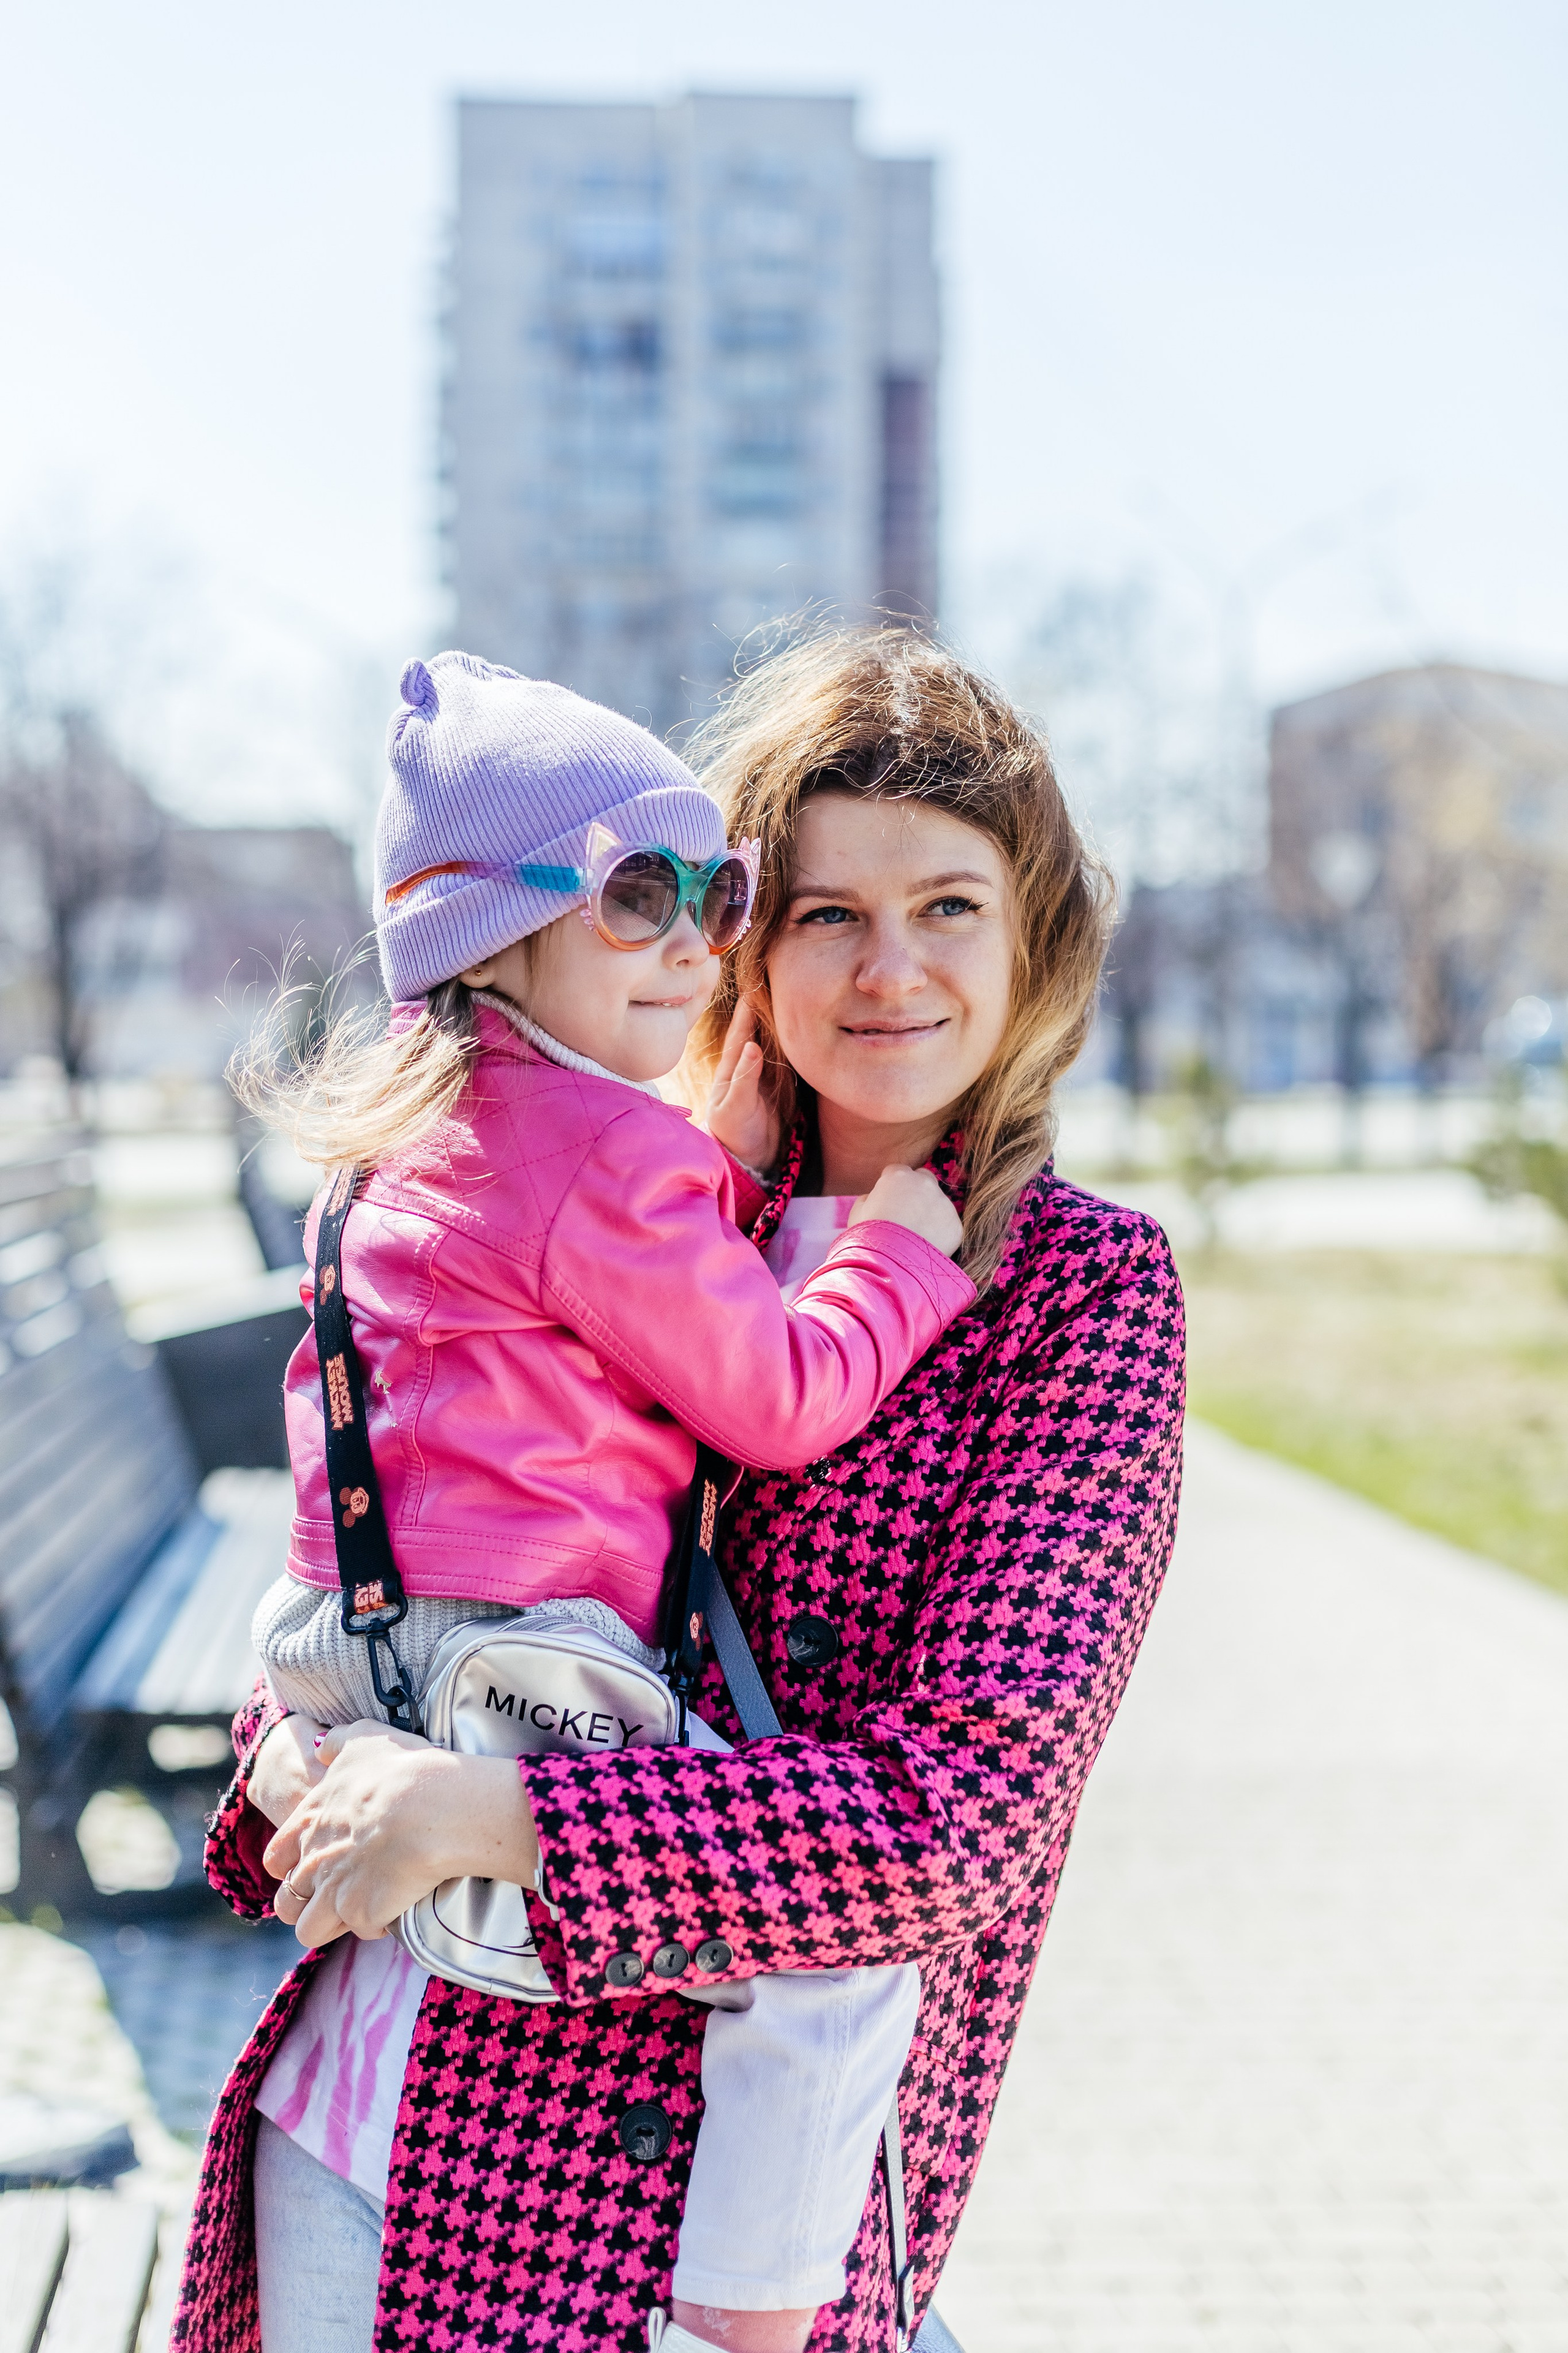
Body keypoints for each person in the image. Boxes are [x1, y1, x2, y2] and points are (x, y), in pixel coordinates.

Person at [178, 627, 1186, 2353]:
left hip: (693, 2231)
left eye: (949, 905)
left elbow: (957, 1819)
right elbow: (396, 1521)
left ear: (1033, 940)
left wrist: (497, 1814)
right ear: (749, 939)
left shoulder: (1075, 1295)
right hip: (376, 2108)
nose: (889, 968)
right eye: (824, 910)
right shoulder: (625, 1186)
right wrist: (294, 1746)